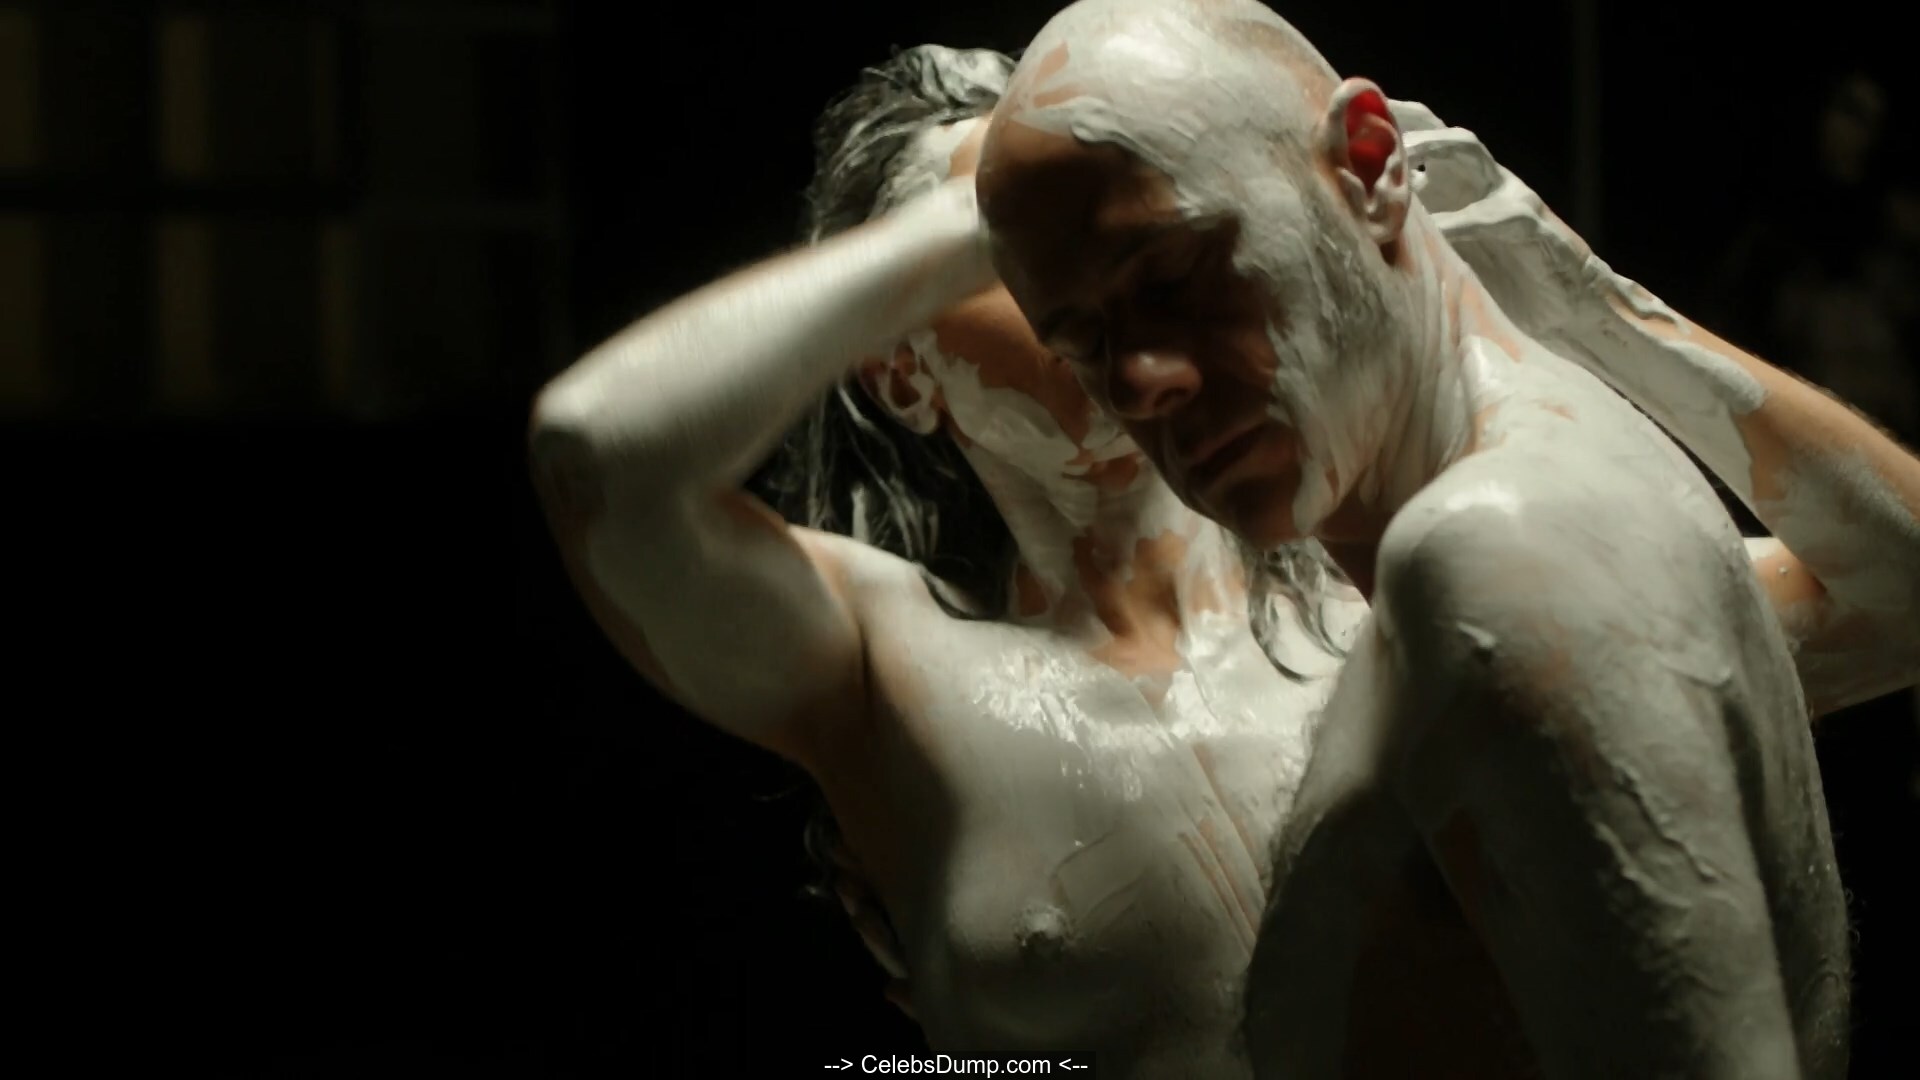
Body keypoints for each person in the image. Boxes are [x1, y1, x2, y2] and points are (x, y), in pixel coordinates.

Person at [528, 40, 1920, 1080]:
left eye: (1123, 230)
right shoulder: (893, 669)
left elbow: (1897, 591)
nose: (1089, 292)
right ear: (902, 371)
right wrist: (970, 213)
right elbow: (602, 454)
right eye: (1025, 262)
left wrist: (1599, 309)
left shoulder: (1419, 583)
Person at [974, 1, 1918, 1077]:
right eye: (1085, 343)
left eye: (1172, 276)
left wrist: (1594, 303)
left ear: (1370, 165)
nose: (1142, 382)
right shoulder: (1480, 545)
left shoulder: (1507, 555)